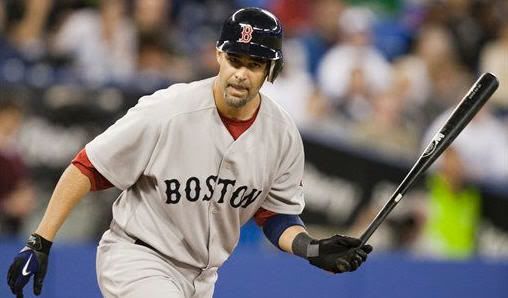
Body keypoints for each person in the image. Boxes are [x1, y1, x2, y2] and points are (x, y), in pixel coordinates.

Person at [7, 7, 372, 298]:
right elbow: (87, 167)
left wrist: (312, 249)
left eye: (254, 64)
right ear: (218, 55)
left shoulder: (282, 135)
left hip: (203, 278)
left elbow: (275, 216)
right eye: (235, 59)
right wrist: (40, 241)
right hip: (138, 257)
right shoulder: (167, 110)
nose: (241, 74)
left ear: (271, 70)